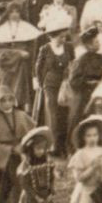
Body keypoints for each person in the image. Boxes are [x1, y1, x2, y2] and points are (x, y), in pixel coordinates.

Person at [0, 2, 41, 111]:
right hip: (5, 66)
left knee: (22, 83)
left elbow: (33, 48)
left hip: (23, 66)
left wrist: (25, 53)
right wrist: (17, 54)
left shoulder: (28, 28)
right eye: (12, 12)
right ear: (8, 14)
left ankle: (21, 107)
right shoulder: (0, 30)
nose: (15, 14)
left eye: (17, 12)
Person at [33, 29, 74, 158]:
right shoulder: (45, 49)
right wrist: (41, 84)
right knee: (53, 115)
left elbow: (73, 63)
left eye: (64, 37)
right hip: (50, 85)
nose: (63, 40)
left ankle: (64, 146)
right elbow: (38, 68)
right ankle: (54, 146)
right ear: (52, 37)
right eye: (60, 37)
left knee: (65, 115)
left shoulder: (69, 47)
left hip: (65, 84)